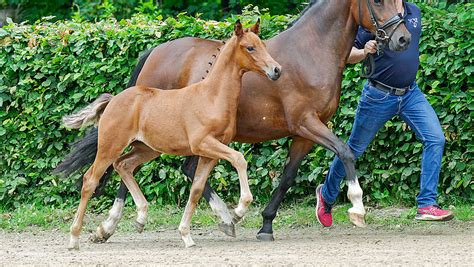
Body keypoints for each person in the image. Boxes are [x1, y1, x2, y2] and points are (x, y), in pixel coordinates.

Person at [315, 0, 453, 227]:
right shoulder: (373, 16)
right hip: (378, 96)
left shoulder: (414, 12)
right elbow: (346, 54)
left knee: (435, 138)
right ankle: (326, 196)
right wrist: (363, 51)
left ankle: (427, 204)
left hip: (411, 94)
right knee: (353, 149)